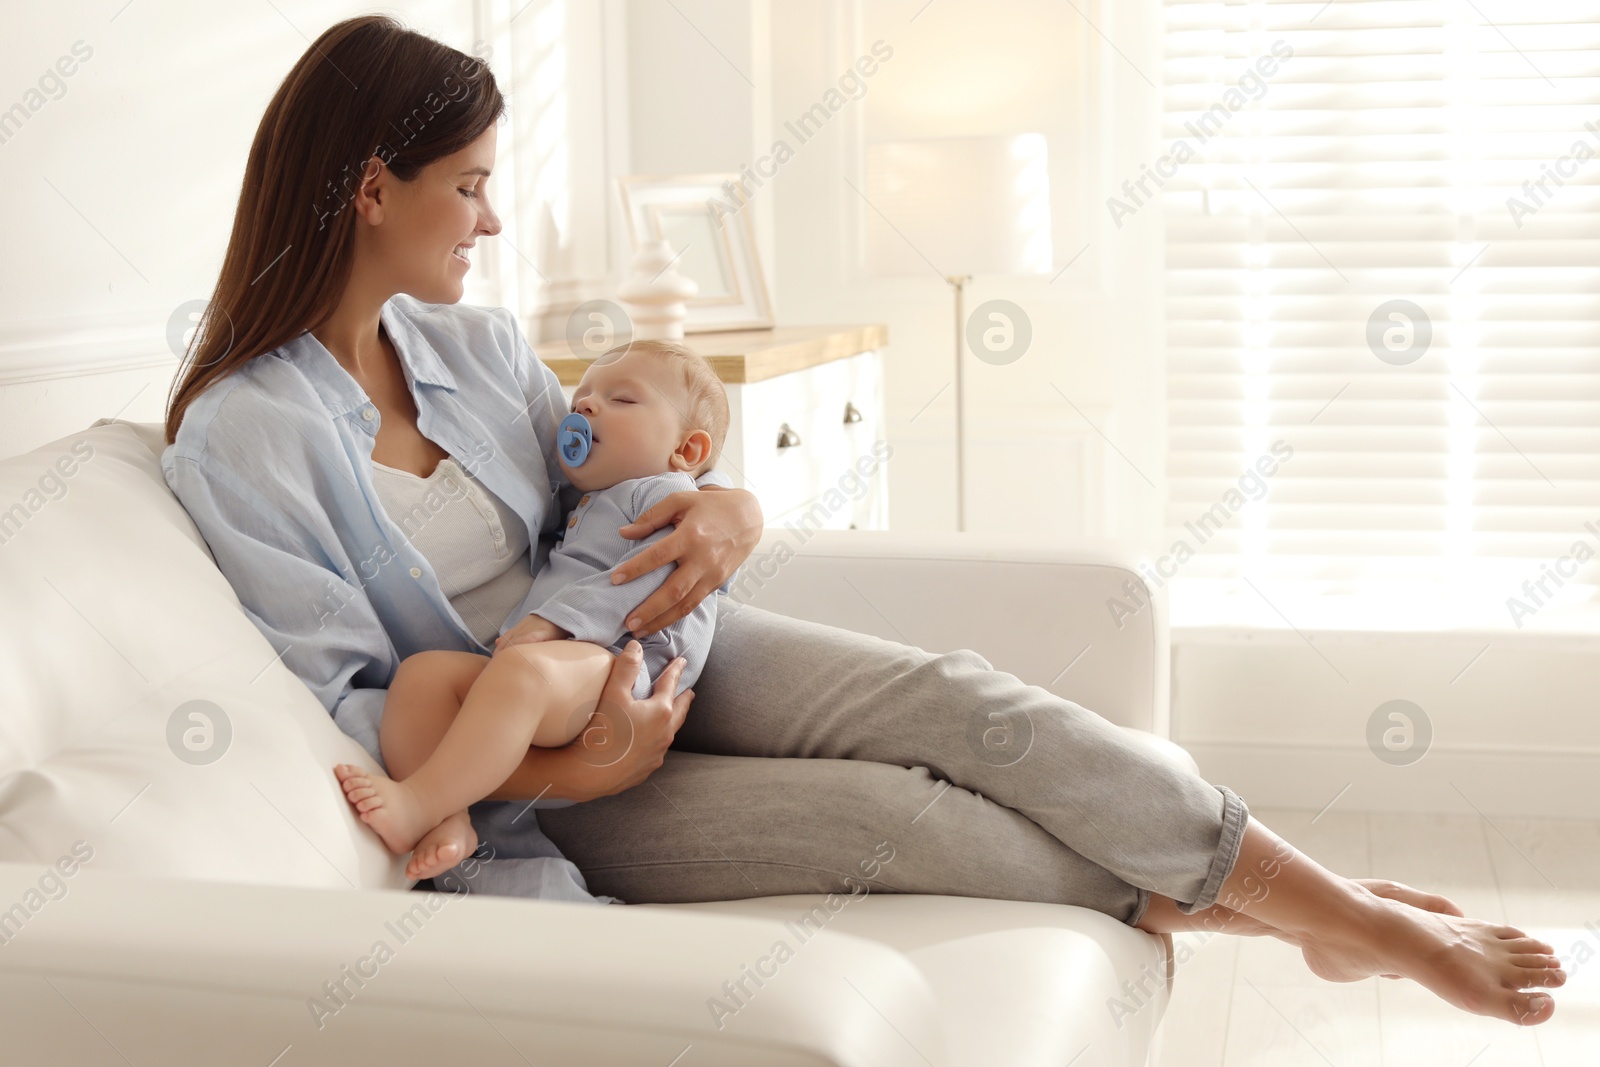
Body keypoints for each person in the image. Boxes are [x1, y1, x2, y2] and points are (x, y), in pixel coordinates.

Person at [160, 13, 1566, 1028]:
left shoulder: (466, 346)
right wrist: (588, 765)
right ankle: (1312, 909)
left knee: (961, 699)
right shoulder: (247, 432)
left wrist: (732, 508)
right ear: (369, 189)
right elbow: (360, 704)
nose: (488, 221)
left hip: (662, 636)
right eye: (468, 185)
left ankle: (1356, 919)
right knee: (902, 819)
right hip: (538, 778)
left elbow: (630, 473)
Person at [334, 340, 731, 880]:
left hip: (624, 664)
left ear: (686, 452)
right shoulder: (592, 498)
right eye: (583, 396)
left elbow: (649, 574)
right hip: (561, 672)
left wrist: (555, 622)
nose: (586, 407)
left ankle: (418, 803)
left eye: (622, 400)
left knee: (522, 673)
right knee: (423, 675)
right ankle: (448, 817)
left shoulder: (665, 494)